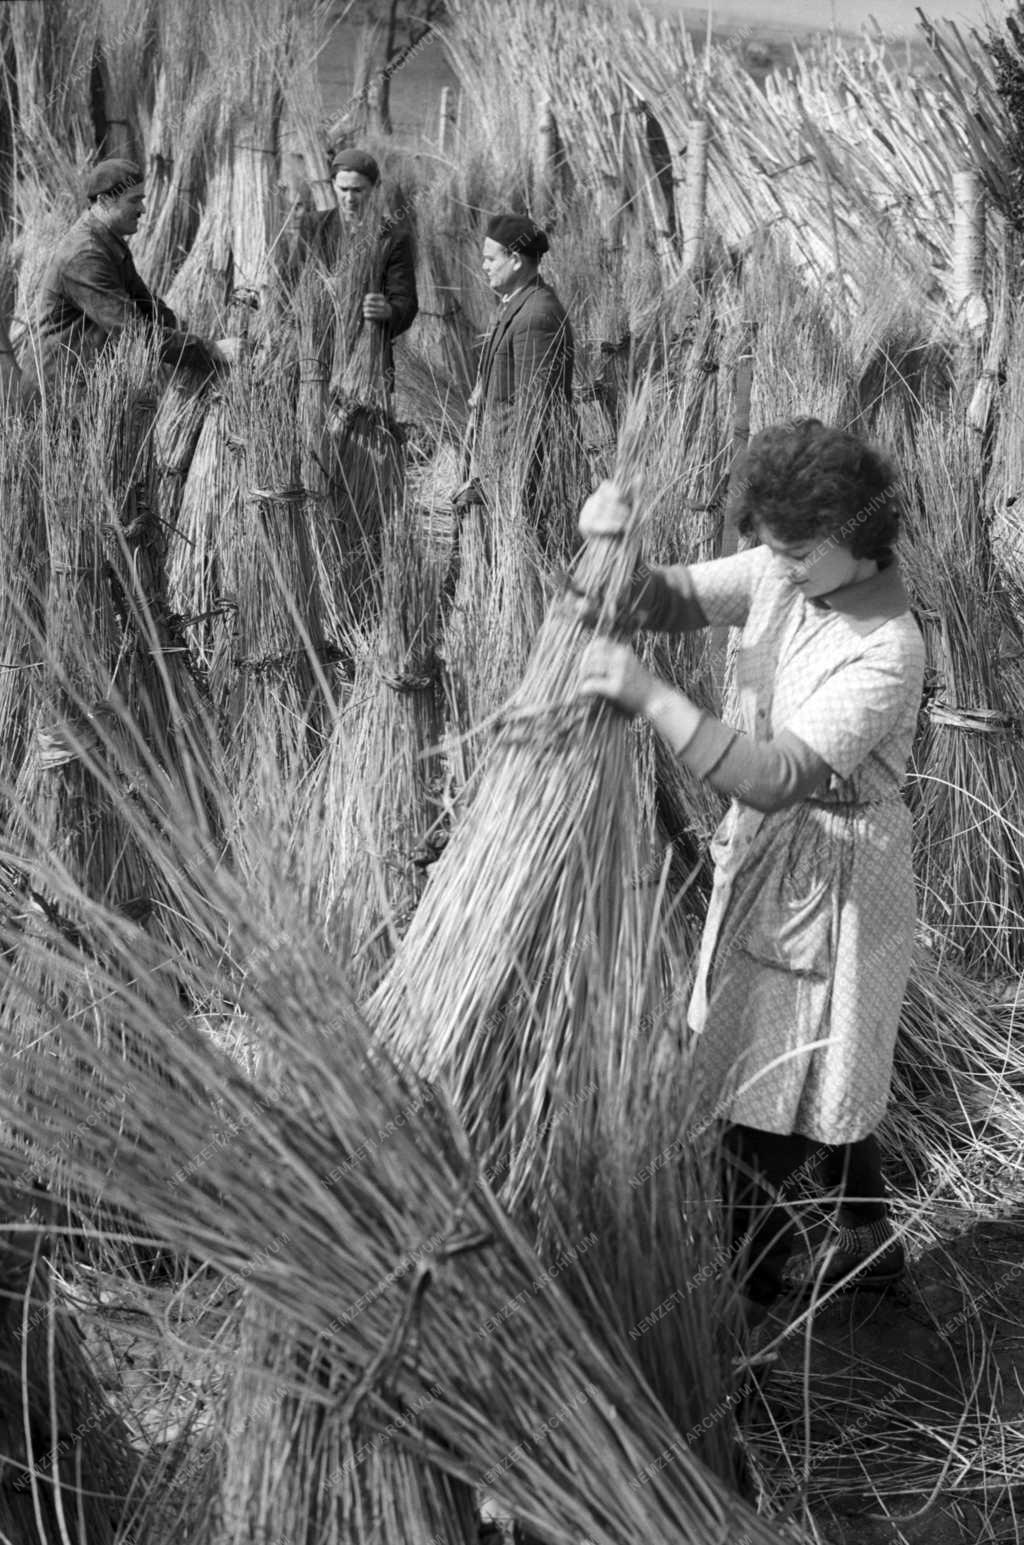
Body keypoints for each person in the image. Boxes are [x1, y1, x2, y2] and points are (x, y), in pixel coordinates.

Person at [575, 419, 926, 1327]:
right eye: (774, 548)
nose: (783, 566)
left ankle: (746, 1323)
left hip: (844, 877)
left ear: (859, 534)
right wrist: (610, 547)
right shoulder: (786, 567)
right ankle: (871, 1242)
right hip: (775, 860)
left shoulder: (887, 648)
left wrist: (653, 698)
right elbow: (669, 598)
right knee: (819, 1072)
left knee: (766, 1106)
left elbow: (777, 776)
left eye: (802, 551)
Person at [19, 159, 237, 391]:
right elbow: (134, 332)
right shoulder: (85, 256)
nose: (143, 209)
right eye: (135, 200)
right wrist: (211, 350)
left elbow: (147, 306)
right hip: (56, 394)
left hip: (82, 384)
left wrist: (190, 333)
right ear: (104, 202)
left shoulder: (108, 241)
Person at [455, 213, 574, 517]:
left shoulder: (537, 316)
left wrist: (501, 485)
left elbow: (535, 413)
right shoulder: (517, 304)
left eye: (491, 259)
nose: (484, 266)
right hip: (498, 471)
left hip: (516, 483)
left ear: (517, 260)